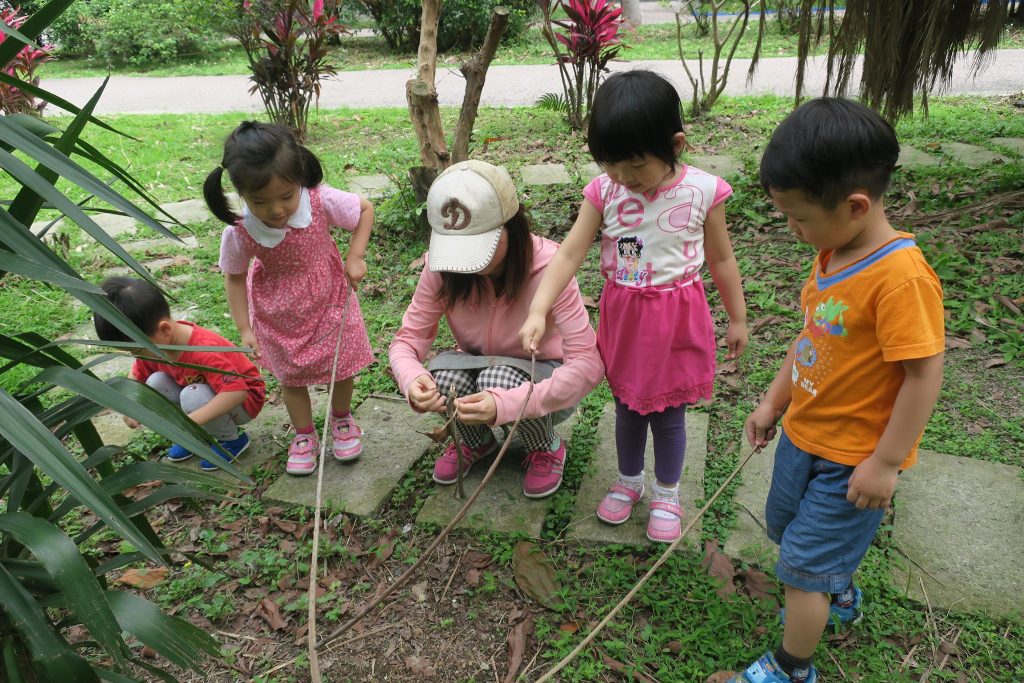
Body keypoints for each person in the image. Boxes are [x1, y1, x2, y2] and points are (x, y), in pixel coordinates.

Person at [721, 98, 945, 683]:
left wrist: (887, 462)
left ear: (855, 205)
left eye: (798, 217)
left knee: (798, 568)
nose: (792, 229)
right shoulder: (832, 254)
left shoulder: (901, 280)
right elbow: (809, 339)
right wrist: (774, 402)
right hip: (804, 436)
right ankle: (836, 593)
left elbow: (924, 375)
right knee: (785, 526)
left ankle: (793, 667)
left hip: (853, 462)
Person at [519, 70, 748, 542]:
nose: (624, 179)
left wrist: (738, 317)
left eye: (636, 167)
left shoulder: (704, 191)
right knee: (625, 407)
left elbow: (722, 259)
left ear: (676, 145)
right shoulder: (604, 192)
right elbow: (568, 253)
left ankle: (667, 491)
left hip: (677, 317)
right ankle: (628, 481)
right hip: (624, 315)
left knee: (669, 415)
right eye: (610, 166)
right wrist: (539, 308)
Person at [389, 160, 604, 498]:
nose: (466, 264)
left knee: (497, 379)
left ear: (511, 226)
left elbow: (588, 365)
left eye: (477, 247)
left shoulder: (550, 267)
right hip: (479, 367)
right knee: (443, 378)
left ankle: (545, 445)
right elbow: (407, 341)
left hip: (542, 375)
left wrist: (506, 404)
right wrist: (411, 379)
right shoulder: (441, 267)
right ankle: (478, 441)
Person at [203, 121, 375, 476]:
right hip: (277, 312)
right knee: (291, 376)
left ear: (298, 177)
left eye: (285, 196)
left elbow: (364, 210)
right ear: (241, 192)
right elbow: (234, 277)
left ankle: (342, 419)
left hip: (329, 297)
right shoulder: (240, 230)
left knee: (341, 365)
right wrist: (244, 327)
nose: (277, 210)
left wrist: (354, 256)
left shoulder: (319, 199)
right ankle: (304, 435)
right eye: (261, 201)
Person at [94, 277, 266, 471]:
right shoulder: (157, 345)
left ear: (164, 329)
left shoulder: (204, 349)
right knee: (155, 381)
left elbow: (237, 392)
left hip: (244, 402)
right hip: (204, 391)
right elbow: (136, 380)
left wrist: (188, 423)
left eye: (137, 351)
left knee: (192, 396)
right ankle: (198, 437)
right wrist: (130, 408)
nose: (137, 356)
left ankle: (232, 440)